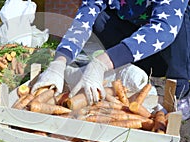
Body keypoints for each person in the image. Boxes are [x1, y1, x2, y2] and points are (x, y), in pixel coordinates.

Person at [31, 0, 190, 119]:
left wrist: (100, 63)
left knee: (181, 21)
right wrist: (59, 62)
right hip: (136, 49)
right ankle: (127, 74)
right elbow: (84, 18)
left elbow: (164, 30)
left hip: (171, 51)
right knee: (100, 18)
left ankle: (180, 95)